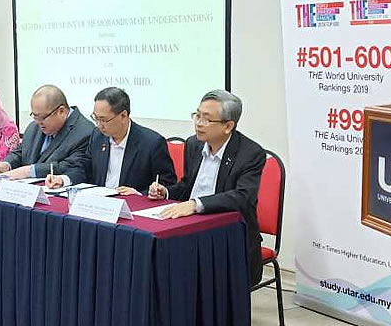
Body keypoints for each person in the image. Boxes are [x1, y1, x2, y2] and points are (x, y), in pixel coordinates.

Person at [147, 89, 265, 286]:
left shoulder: (250, 153)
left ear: (228, 126)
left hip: (227, 235)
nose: (199, 123)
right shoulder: (193, 144)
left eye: (207, 119)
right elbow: (188, 184)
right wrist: (165, 192)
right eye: (197, 115)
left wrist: (196, 204)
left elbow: (243, 197)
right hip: (190, 226)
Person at [45, 87, 176, 193]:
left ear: (123, 115)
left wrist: (140, 195)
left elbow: (166, 185)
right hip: (101, 205)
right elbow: (84, 168)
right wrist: (63, 179)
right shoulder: (97, 136)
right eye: (95, 118)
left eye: (103, 120)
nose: (98, 124)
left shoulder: (152, 143)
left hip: (133, 209)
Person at [0, 85, 94, 179]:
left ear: (61, 111)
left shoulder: (85, 132)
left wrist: (29, 171)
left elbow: (71, 167)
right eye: (35, 116)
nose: (38, 122)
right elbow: (21, 152)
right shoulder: (34, 127)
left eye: (43, 117)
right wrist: (7, 164)